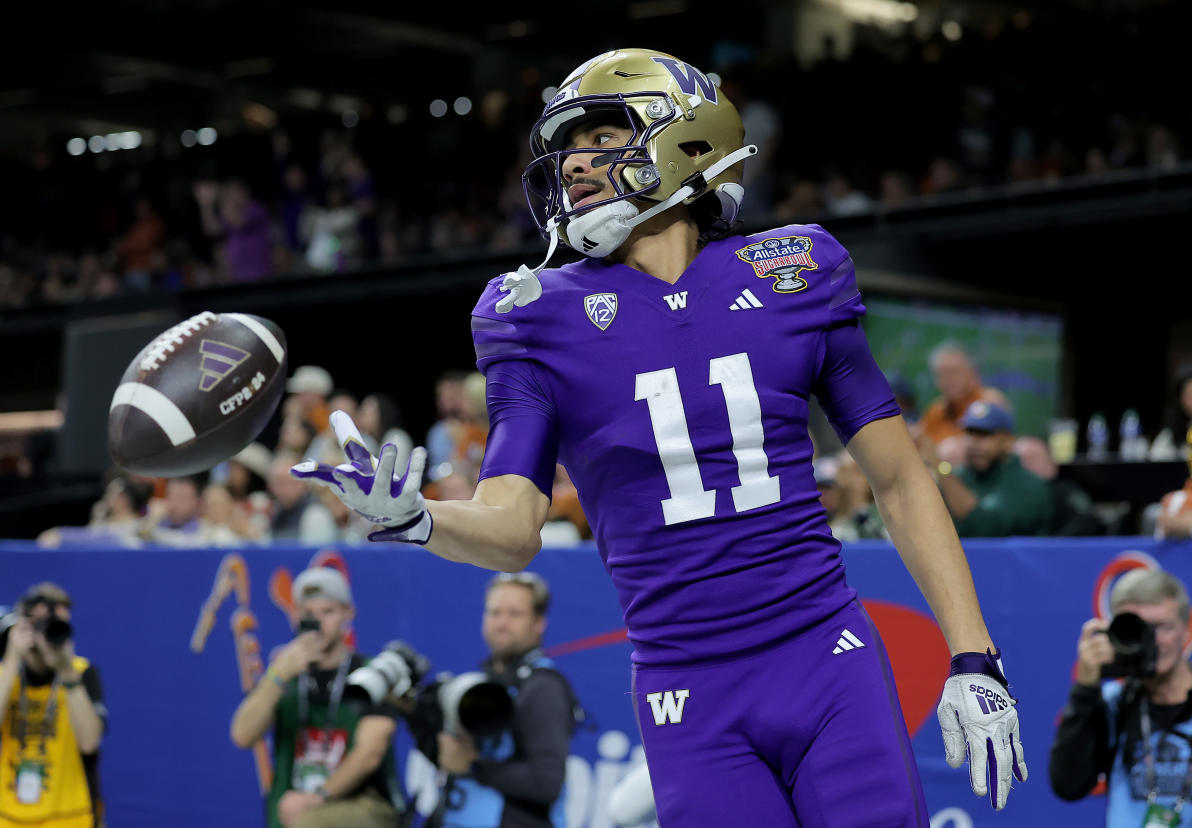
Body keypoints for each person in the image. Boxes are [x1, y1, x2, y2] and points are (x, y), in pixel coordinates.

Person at [295, 48, 1026, 825]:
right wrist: (420, 519)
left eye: (602, 140)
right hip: (685, 683)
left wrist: (974, 654)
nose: (573, 167)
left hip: (824, 655)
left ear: (687, 138)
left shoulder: (795, 272)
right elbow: (512, 526)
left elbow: (903, 480)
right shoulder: (531, 315)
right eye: (569, 147)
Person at [1049, 569, 1192, 827]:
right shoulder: (1112, 702)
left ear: (1186, 630)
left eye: (1164, 627)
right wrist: (1085, 687)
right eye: (1140, 630)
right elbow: (1068, 784)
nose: (1155, 641)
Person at [228, 567, 404, 828]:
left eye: (328, 612)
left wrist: (316, 797)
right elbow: (242, 735)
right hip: (291, 808)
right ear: (295, 617)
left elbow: (371, 753)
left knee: (310, 823)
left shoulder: (371, 674)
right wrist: (276, 676)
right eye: (308, 614)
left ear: (348, 613)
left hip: (361, 805)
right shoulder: (284, 677)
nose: (318, 623)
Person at [429, 572, 577, 828]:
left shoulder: (543, 687)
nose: (501, 623)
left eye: (514, 614)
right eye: (494, 612)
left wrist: (474, 765)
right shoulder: (485, 681)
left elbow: (545, 783)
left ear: (539, 622)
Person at [0, 583, 107, 828]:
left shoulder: (81, 673)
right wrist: (12, 656)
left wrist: (65, 670)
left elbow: (90, 742)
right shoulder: (6, 676)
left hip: (72, 818)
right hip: (9, 818)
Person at [925, 400, 1053, 537]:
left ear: (1007, 441)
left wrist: (940, 467)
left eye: (984, 434)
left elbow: (986, 528)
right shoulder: (959, 475)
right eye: (970, 433)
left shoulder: (1029, 484)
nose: (974, 442)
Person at [1013, 436, 1106, 536]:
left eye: (1033, 458)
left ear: (1052, 464)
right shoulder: (1009, 496)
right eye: (1022, 459)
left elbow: (1087, 521)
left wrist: (1052, 544)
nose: (1027, 464)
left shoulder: (1066, 492)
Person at [918, 341, 1007, 446]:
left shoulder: (989, 401)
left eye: (955, 371)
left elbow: (1003, 445)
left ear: (972, 372)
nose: (949, 379)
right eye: (942, 374)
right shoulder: (935, 411)